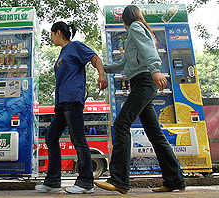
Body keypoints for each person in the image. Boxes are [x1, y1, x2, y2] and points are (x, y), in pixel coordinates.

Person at [94, 5, 186, 194]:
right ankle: (175, 179)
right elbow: (125, 64)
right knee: (155, 134)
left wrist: (155, 70)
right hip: (140, 82)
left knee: (121, 124)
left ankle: (119, 180)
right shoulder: (135, 33)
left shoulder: (135, 27)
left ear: (124, 19)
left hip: (144, 81)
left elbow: (147, 50)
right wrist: (103, 68)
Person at [35, 21, 108, 194]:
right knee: (51, 137)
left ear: (58, 33)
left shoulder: (75, 46)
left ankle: (85, 183)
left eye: (51, 34)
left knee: (78, 139)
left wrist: (101, 75)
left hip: (73, 99)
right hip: (62, 103)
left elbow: (95, 58)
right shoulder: (63, 52)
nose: (51, 37)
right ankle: (52, 181)